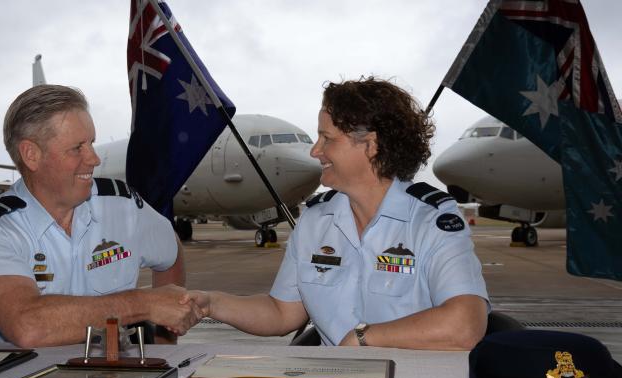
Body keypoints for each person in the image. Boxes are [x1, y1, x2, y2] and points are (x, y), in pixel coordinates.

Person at [190, 77, 489, 350]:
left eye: (327, 139)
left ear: (370, 145)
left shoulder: (431, 222)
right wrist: (210, 303)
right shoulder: (314, 222)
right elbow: (281, 313)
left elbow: (465, 326)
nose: (315, 151)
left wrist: (364, 338)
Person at [0, 84, 201, 347]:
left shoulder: (123, 207)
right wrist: (145, 304)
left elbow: (170, 250)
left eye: (92, 143)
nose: (95, 159)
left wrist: (165, 341)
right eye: (78, 148)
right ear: (31, 155)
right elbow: (28, 326)